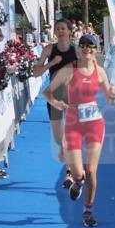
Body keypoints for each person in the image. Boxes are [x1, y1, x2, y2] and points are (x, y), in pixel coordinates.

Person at [43, 34, 115, 228]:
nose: (87, 49)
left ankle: (88, 210)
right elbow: (47, 92)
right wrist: (56, 102)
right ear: (78, 49)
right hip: (73, 124)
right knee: (78, 173)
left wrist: (113, 95)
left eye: (91, 46)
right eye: (83, 46)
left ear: (96, 49)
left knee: (91, 171)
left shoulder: (100, 71)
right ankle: (77, 183)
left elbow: (109, 97)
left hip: (94, 123)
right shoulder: (69, 70)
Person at [33, 19, 78, 188]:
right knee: (60, 138)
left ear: (69, 31)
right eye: (57, 29)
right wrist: (51, 63)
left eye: (63, 29)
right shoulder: (49, 49)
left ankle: (70, 174)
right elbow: (36, 73)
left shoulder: (77, 50)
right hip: (54, 96)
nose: (60, 31)